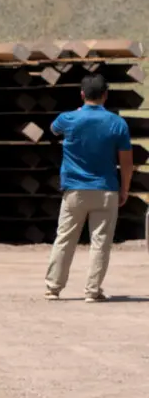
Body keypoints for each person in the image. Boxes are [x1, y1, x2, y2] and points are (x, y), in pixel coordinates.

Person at [44, 73, 134, 302]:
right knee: (100, 242)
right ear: (106, 95)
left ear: (82, 94)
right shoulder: (117, 123)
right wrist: (124, 189)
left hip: (74, 190)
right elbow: (126, 163)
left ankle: (53, 287)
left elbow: (53, 129)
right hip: (106, 190)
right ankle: (92, 291)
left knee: (64, 238)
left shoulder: (68, 118)